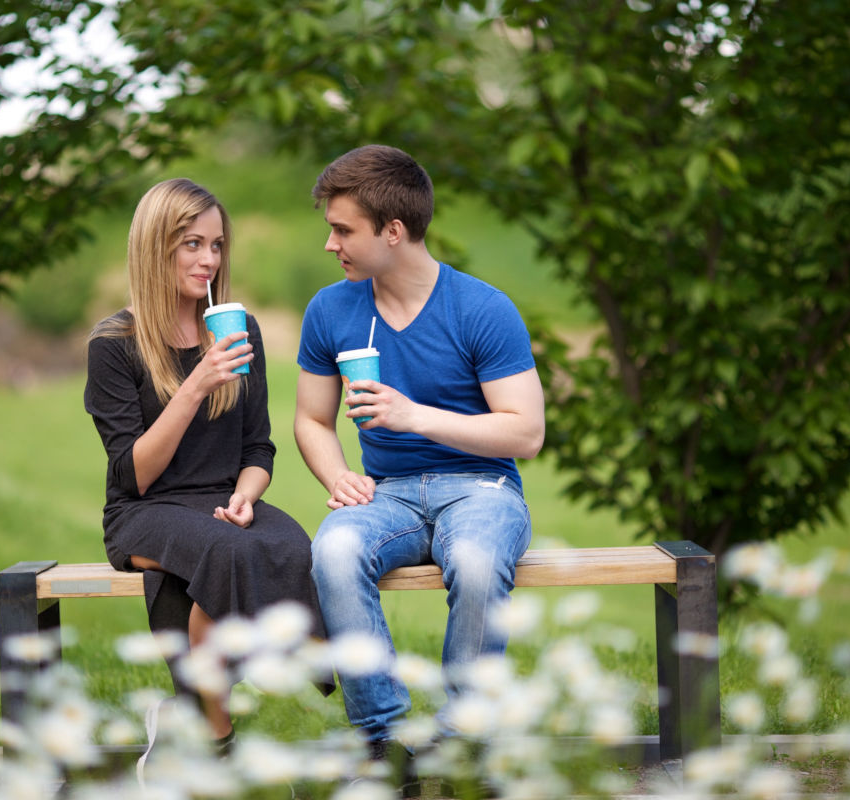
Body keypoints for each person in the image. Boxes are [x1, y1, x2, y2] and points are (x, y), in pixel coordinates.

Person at [294, 146, 545, 770]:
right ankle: (385, 742)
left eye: (342, 229)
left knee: (479, 559)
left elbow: (526, 434)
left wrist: (415, 417)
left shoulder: (482, 308)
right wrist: (338, 474)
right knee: (334, 548)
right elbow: (311, 419)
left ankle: (467, 742)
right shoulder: (330, 310)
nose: (331, 244)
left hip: (482, 488)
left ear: (394, 231)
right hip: (388, 494)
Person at [84, 178, 331, 779]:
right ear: (155, 247)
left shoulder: (238, 326)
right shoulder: (114, 346)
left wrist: (247, 497)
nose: (209, 260)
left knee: (290, 544)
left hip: (222, 501)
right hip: (144, 510)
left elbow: (258, 448)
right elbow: (133, 473)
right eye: (191, 244)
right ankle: (216, 737)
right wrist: (197, 383)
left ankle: (186, 721)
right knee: (221, 553)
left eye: (217, 245)